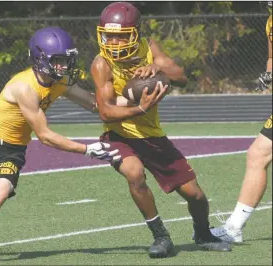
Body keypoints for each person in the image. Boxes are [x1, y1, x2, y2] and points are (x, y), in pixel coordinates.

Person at [0, 26, 121, 266]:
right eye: (59, 61)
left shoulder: (59, 81)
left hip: (12, 150)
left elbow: (95, 104)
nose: (64, 67)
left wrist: (136, 103)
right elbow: (45, 136)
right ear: (40, 60)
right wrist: (86, 149)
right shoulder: (25, 87)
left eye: (67, 61)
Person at [91, 2, 231, 258]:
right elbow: (106, 111)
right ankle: (161, 237)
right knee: (134, 174)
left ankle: (202, 233)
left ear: (135, 33)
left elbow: (182, 77)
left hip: (152, 136)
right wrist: (139, 109)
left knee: (196, 196)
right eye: (108, 35)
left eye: (120, 36)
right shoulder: (101, 64)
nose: (112, 42)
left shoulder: (149, 47)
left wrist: (158, 68)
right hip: (119, 134)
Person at [210, 1, 272, 243]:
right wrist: (269, 74)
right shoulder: (270, 22)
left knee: (259, 153)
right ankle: (234, 227)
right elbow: (271, 57)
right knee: (258, 154)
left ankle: (234, 227)